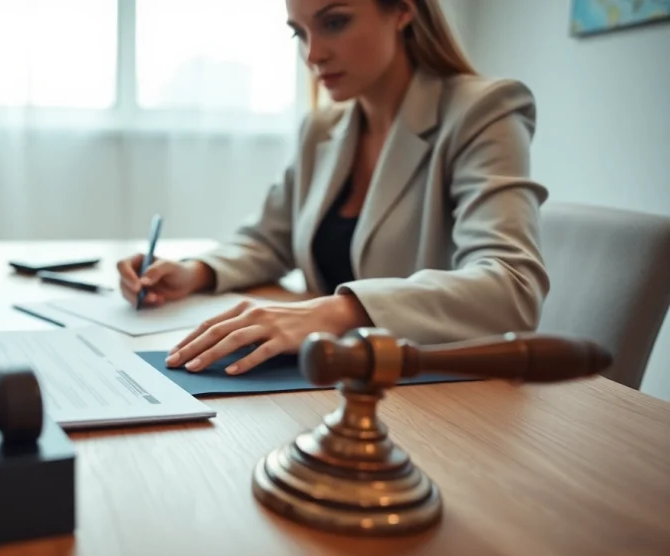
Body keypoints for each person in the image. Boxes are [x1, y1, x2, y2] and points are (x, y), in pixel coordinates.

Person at [117, 0, 549, 376]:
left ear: (402, 10)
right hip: (336, 379)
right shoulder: (321, 128)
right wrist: (195, 273)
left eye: (334, 23)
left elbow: (511, 287)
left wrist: (339, 312)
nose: (313, 54)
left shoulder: (481, 111)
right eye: (299, 33)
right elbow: (269, 240)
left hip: (439, 392)